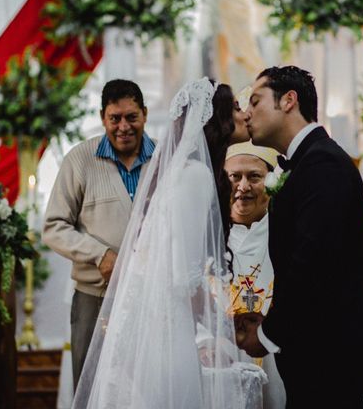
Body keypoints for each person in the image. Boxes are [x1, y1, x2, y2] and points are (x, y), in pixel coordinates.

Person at [72, 78, 271, 409]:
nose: (244, 114)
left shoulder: (184, 173)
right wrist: (229, 331)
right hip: (170, 338)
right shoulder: (195, 177)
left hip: (160, 331)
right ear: (216, 119)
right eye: (235, 108)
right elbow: (185, 279)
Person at [235, 66, 363, 408]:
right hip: (315, 356)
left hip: (330, 358)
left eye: (256, 101)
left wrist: (266, 334)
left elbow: (312, 265)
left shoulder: (324, 164)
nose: (247, 113)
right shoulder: (308, 163)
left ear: (289, 101)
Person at [42, 79, 154, 390]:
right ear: (102, 116)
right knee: (91, 388)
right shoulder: (79, 160)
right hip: (95, 298)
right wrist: (100, 255)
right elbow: (53, 226)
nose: (123, 127)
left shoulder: (163, 158)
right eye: (114, 118)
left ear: (144, 113)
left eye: (131, 117)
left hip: (151, 298)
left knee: (144, 388)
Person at [225, 141, 286, 408]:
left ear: (272, 183)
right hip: (224, 360)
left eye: (254, 176)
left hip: (278, 355)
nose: (243, 186)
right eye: (234, 177)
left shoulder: (288, 233)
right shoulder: (209, 237)